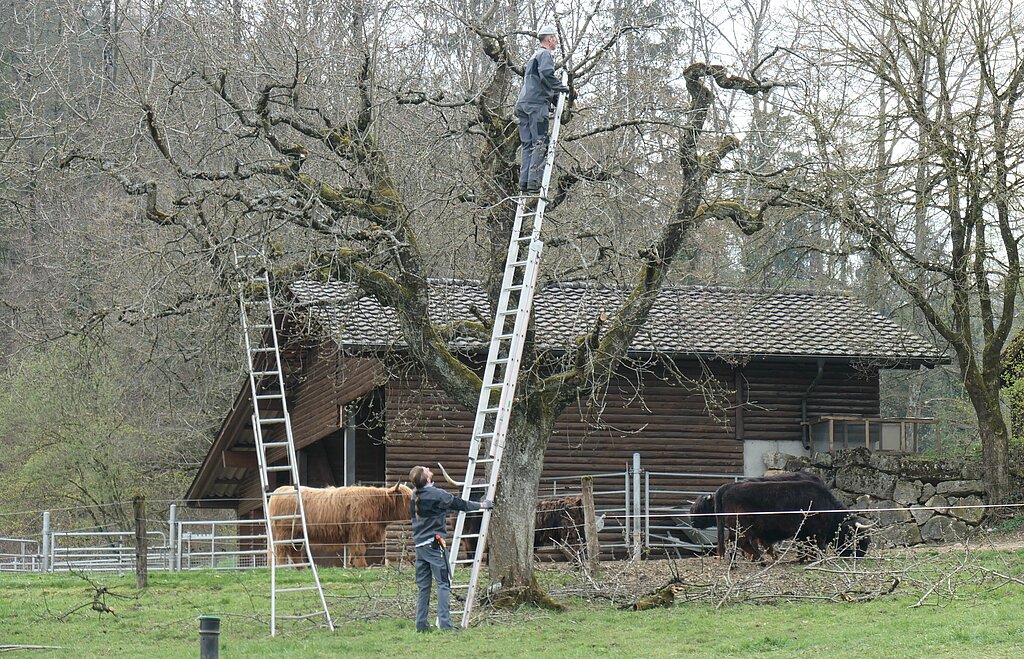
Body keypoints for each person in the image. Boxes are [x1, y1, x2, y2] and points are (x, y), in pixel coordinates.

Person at [408, 465, 493, 632]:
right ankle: (446, 626)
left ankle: (421, 625)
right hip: (434, 545)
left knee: (424, 586)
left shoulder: (413, 496)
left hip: (419, 546)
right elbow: (460, 504)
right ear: (428, 478)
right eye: (426, 469)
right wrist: (483, 505)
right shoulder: (438, 495)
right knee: (443, 584)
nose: (428, 467)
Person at [516, 23, 571, 194]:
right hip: (536, 105)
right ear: (549, 39)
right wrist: (563, 88)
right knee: (539, 142)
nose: (556, 42)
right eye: (554, 38)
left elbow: (540, 81)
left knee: (527, 144)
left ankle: (524, 182)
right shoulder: (545, 54)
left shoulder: (534, 57)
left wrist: (556, 97)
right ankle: (534, 182)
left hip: (524, 104)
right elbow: (547, 74)